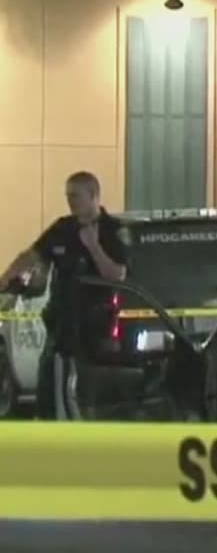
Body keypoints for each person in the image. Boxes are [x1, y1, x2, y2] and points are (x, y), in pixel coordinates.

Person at [0, 171, 129, 419]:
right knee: (49, 394)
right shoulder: (62, 228)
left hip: (95, 332)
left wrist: (93, 246)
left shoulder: (112, 230)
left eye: (75, 196)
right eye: (68, 196)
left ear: (93, 195)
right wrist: (5, 280)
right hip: (61, 329)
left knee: (78, 397)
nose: (70, 202)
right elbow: (31, 256)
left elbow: (116, 275)